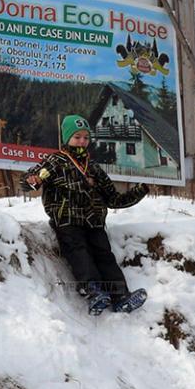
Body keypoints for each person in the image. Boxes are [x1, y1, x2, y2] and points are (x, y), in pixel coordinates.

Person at [21, 114, 149, 316]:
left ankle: (120, 297)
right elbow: (28, 181)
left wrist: (140, 190)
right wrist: (33, 180)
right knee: (78, 252)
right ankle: (94, 291)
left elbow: (113, 199)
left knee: (104, 255)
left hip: (94, 221)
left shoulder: (94, 168)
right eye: (77, 137)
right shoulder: (55, 161)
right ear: (67, 138)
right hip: (67, 220)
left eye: (85, 138)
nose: (82, 141)